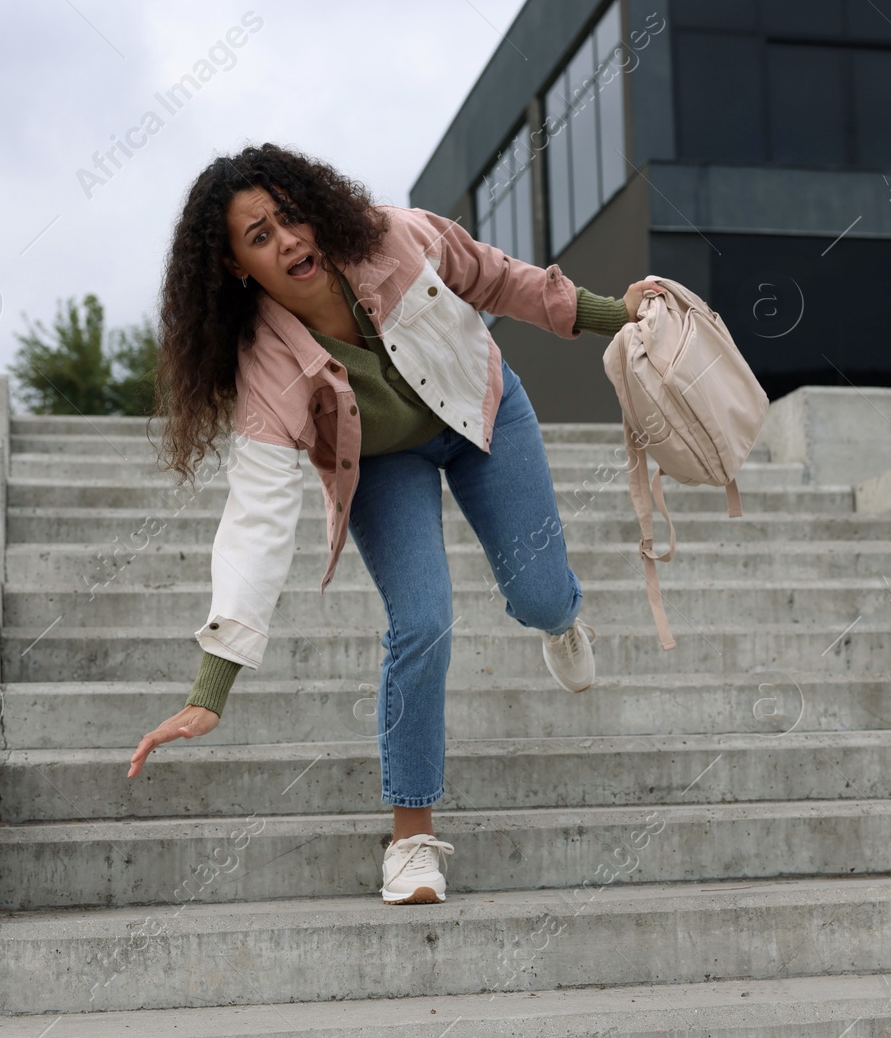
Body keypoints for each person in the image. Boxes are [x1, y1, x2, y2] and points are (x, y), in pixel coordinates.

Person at [125, 142, 663, 905]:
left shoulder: (393, 237)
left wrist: (621, 318)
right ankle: (411, 837)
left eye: (290, 217)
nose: (288, 241)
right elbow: (258, 515)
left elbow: (498, 279)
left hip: (483, 410)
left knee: (540, 594)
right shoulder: (264, 364)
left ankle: (563, 619)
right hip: (380, 462)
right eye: (260, 236)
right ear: (238, 268)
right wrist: (212, 685)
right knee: (422, 621)